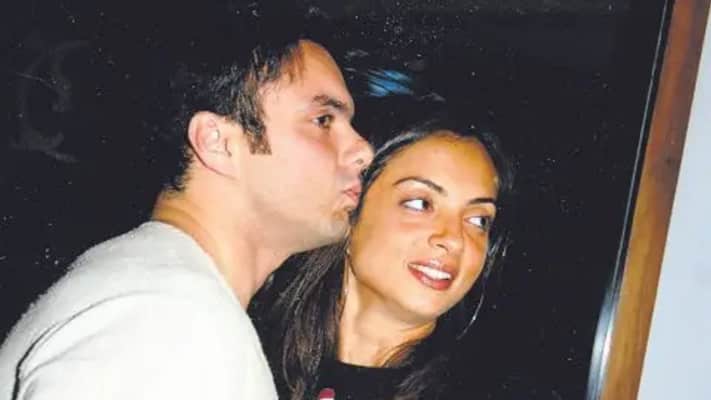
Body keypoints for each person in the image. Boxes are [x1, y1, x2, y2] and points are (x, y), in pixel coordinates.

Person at [0, 12, 373, 400]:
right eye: (323, 120)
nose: (363, 149)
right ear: (217, 142)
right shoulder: (171, 317)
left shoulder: (161, 296)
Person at [263, 116, 514, 399]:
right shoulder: (245, 348)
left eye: (479, 220)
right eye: (421, 204)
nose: (455, 239)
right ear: (349, 210)